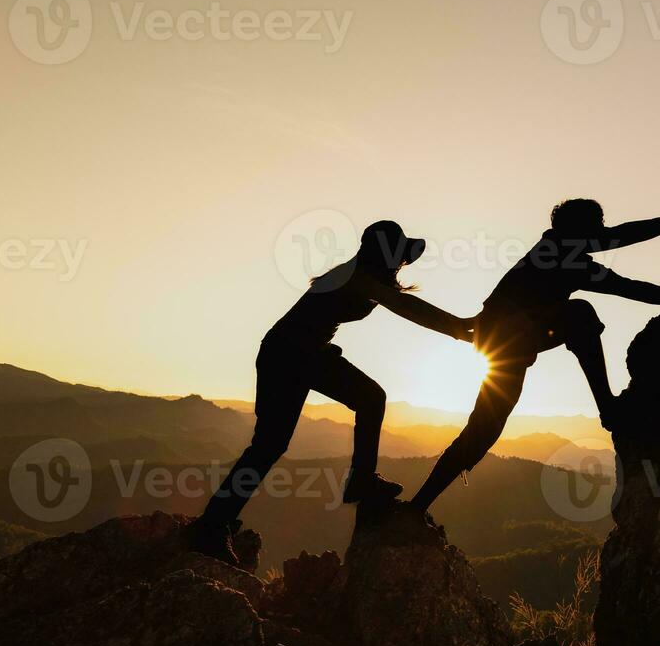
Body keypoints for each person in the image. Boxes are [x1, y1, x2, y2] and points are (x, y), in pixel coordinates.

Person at [188, 220, 473, 564]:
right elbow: (407, 308)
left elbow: (402, 305)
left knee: (275, 442)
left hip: (301, 352)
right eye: (398, 257)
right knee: (274, 442)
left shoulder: (358, 274)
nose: (401, 266)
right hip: (292, 354)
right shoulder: (361, 277)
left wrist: (465, 326)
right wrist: (462, 329)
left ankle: (215, 522)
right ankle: (213, 525)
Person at [408, 199, 660, 512]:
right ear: (580, 229)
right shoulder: (562, 256)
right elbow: (628, 282)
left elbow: (622, 241)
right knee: (579, 315)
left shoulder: (555, 249)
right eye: (595, 227)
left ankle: (417, 505)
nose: (601, 234)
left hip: (503, 343)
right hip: (507, 341)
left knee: (483, 430)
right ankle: (607, 406)